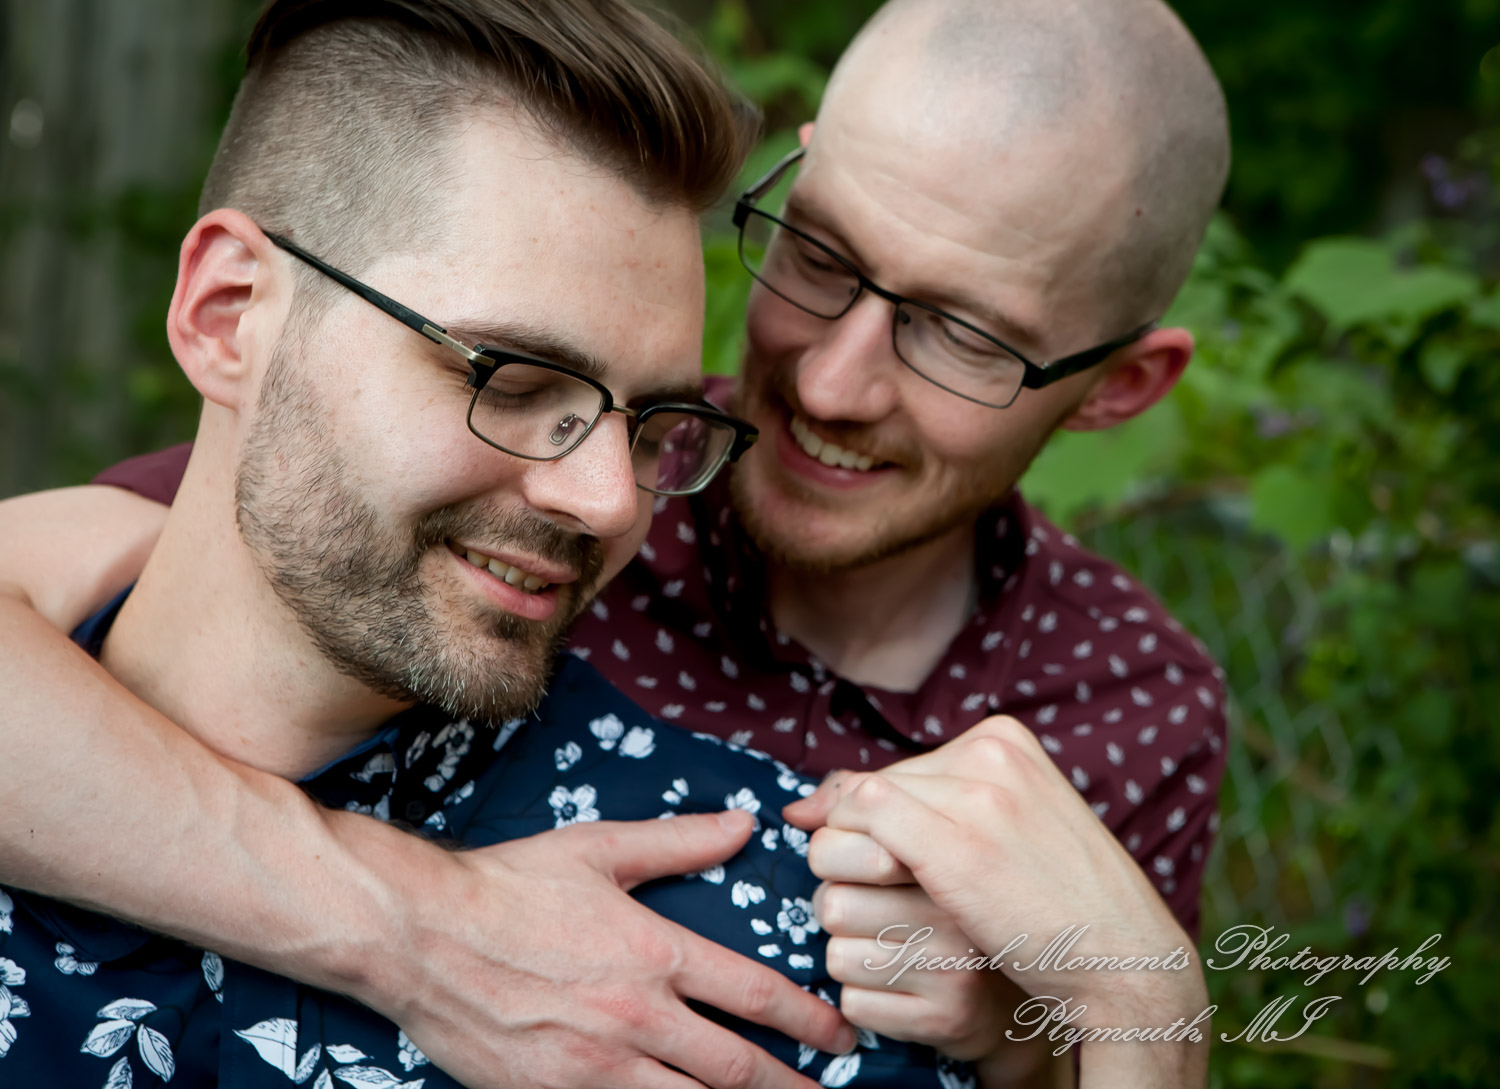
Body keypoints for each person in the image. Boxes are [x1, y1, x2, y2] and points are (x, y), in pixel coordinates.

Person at [0, 0, 1229, 1084]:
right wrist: (418, 921)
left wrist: (1108, 1017)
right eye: (820, 259)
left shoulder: (1126, 701)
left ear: (1118, 386)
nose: (836, 383)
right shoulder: (443, 493)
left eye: (965, 334)